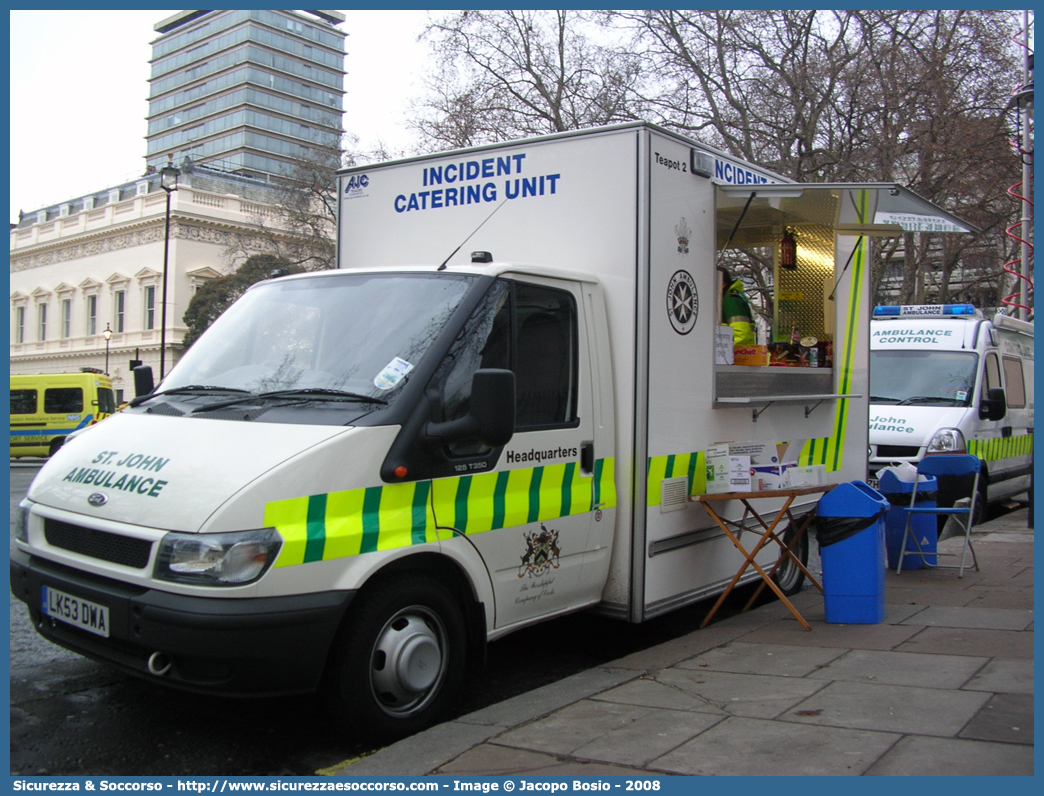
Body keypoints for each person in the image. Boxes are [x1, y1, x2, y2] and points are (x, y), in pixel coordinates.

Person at [721, 271, 756, 346]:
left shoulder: (731, 299)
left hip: (736, 354)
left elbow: (741, 335)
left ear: (721, 283)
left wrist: (731, 354)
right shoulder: (736, 297)